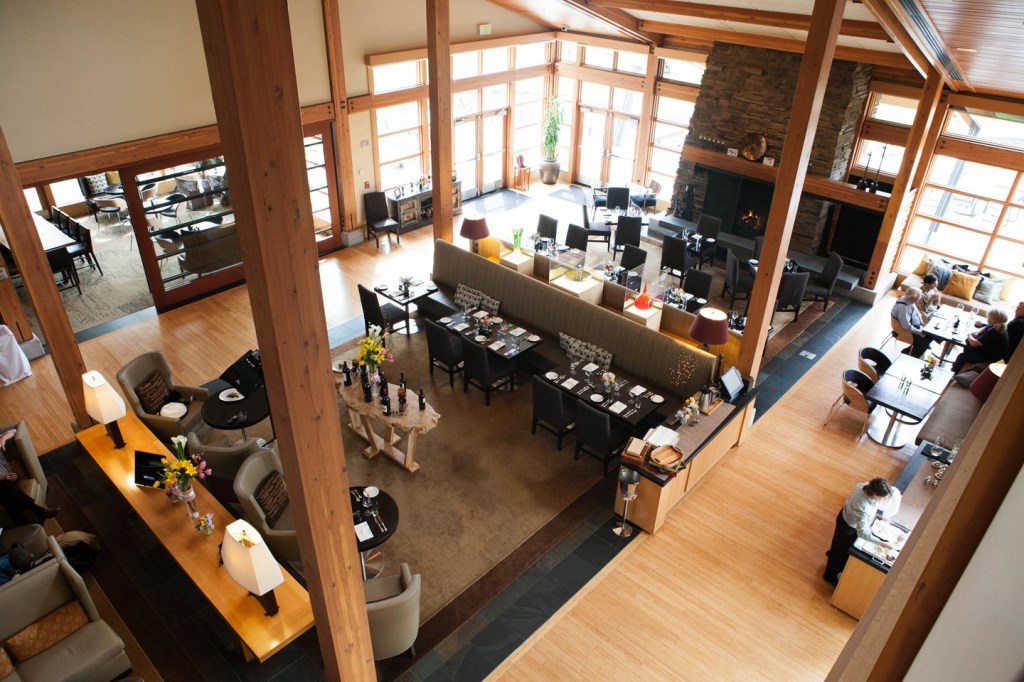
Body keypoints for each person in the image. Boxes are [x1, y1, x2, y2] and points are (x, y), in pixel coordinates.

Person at [823, 478, 902, 586]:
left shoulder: (866, 486)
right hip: (848, 526)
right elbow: (862, 533)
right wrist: (881, 543)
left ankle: (832, 554)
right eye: (883, 498)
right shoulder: (862, 506)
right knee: (840, 552)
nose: (884, 500)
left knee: (838, 545)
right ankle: (830, 576)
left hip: (846, 514)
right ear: (875, 494)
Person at [0, 428, 59, 525]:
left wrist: (3, 438)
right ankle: (38, 511)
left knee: (8, 498)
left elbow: (14, 430)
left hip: (10, 478)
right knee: (6, 489)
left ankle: (24, 523)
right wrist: (2, 478)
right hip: (4, 480)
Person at [951, 308, 1010, 374]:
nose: (987, 318)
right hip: (991, 354)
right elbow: (985, 328)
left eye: (988, 317)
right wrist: (977, 332)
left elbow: (974, 343)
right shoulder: (1001, 326)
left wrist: (969, 335)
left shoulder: (994, 331)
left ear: (992, 319)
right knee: (968, 346)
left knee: (961, 356)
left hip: (989, 359)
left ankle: (953, 373)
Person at [891, 287, 930, 358]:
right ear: (912, 297)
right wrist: (919, 332)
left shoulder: (910, 301)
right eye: (918, 296)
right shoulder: (903, 307)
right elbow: (906, 326)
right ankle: (908, 355)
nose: (920, 298)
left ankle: (918, 348)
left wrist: (921, 322)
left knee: (930, 335)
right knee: (924, 343)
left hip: (914, 326)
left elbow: (917, 312)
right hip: (905, 330)